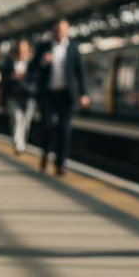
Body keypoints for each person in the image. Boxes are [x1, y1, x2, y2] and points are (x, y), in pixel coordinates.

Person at [29, 21, 88, 175]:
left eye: (62, 30)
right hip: (47, 94)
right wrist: (43, 61)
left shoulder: (73, 49)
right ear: (52, 31)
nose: (59, 33)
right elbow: (32, 69)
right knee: (46, 126)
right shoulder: (43, 47)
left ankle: (61, 163)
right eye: (56, 30)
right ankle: (45, 156)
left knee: (64, 130)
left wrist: (84, 93)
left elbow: (80, 73)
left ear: (67, 31)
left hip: (65, 95)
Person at [2, 39, 37, 155]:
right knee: (17, 119)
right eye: (19, 49)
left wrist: (23, 79)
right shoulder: (9, 62)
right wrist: (12, 77)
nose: (21, 52)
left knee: (26, 121)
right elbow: (3, 79)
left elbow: (37, 78)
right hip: (13, 95)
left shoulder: (33, 63)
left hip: (29, 96)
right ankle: (18, 145)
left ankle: (22, 143)